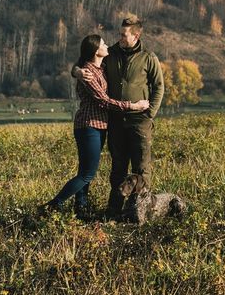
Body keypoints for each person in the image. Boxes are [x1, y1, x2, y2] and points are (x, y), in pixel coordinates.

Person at [39, 34, 148, 218]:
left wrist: (75, 70)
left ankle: (81, 208)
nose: (107, 45)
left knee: (85, 171)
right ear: (96, 50)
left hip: (98, 126)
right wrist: (133, 106)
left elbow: (78, 67)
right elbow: (103, 101)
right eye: (103, 43)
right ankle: (52, 206)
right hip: (89, 126)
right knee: (87, 174)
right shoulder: (88, 73)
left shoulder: (100, 67)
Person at [102, 14, 164, 218]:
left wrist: (150, 114)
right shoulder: (109, 54)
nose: (119, 37)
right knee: (118, 166)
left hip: (140, 122)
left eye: (123, 35)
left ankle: (143, 211)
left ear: (136, 36)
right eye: (119, 33)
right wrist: (77, 70)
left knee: (142, 168)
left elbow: (159, 87)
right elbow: (86, 63)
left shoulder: (149, 57)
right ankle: (114, 210)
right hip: (117, 121)